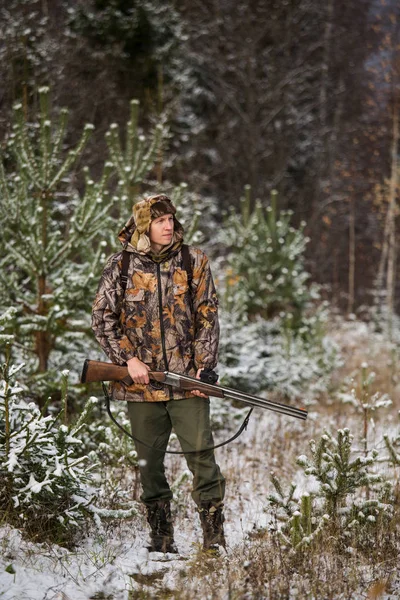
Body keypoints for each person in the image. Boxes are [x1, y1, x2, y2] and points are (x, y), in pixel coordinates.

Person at [91, 194, 226, 554]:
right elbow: (102, 319)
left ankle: (214, 539)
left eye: (170, 219)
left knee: (202, 457)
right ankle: (161, 539)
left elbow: (207, 317)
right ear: (143, 225)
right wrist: (128, 360)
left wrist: (204, 368)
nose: (168, 226)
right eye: (159, 220)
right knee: (149, 464)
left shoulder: (193, 260)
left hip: (186, 383)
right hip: (140, 386)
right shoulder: (120, 266)